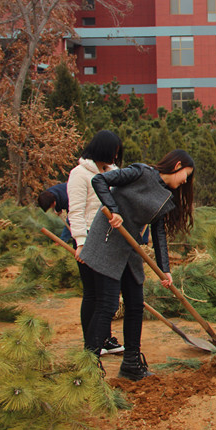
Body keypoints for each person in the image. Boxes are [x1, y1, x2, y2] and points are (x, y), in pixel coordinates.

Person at [79, 149, 195, 381]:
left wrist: (165, 269)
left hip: (129, 249)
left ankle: (131, 363)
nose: (185, 181)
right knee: (108, 305)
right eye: (186, 174)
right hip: (108, 241)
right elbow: (99, 180)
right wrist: (113, 209)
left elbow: (158, 233)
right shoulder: (140, 172)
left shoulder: (165, 196)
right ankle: (88, 365)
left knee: (135, 304)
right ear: (177, 164)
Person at [68, 130, 126, 357]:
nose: (115, 156)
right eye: (114, 152)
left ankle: (103, 339)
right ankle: (91, 344)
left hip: (110, 240)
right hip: (90, 239)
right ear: (102, 149)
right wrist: (80, 243)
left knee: (106, 296)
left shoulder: (114, 173)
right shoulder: (79, 174)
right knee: (94, 294)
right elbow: (76, 211)